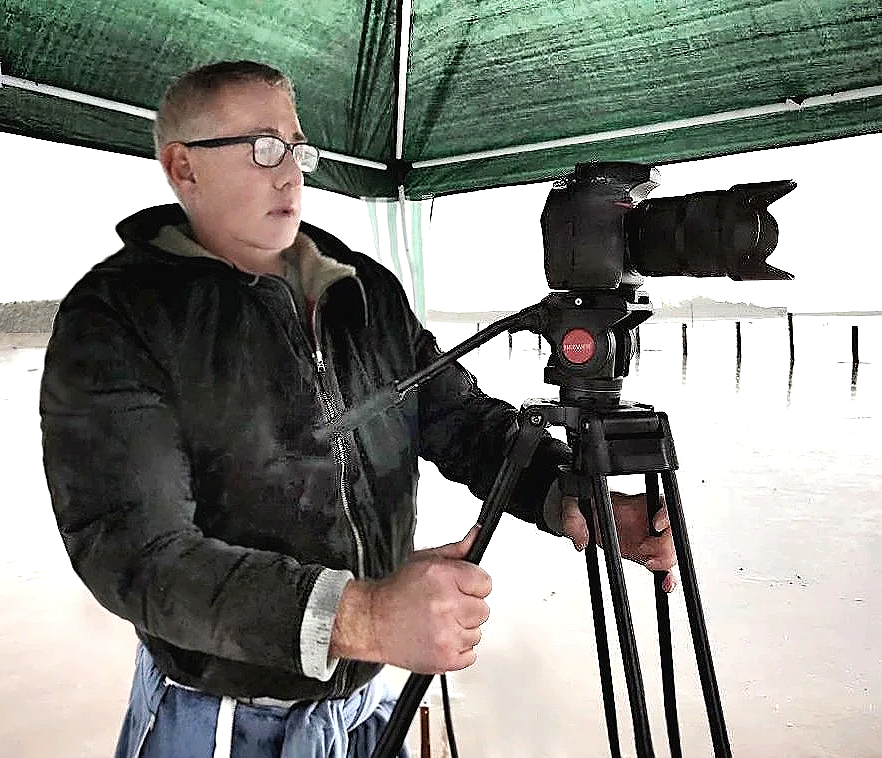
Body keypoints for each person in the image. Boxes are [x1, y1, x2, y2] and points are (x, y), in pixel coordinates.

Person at [39, 60, 676, 758]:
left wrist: (575, 499)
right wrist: (364, 616)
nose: (291, 173)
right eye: (262, 147)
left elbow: (461, 421)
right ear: (183, 169)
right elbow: (136, 553)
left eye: (297, 146)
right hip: (219, 721)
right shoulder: (117, 314)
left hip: (363, 711)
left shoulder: (364, 290)